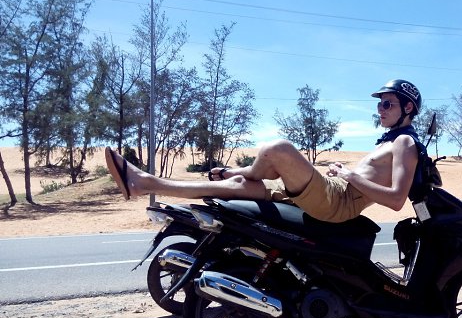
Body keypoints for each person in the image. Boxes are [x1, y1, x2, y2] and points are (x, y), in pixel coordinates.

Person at [105, 79, 422, 223]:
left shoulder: (405, 144)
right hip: (331, 191)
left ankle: (238, 170)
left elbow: (396, 200)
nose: (380, 109)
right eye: (380, 104)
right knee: (237, 186)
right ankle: (144, 183)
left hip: (337, 202)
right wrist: (345, 172)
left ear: (407, 108)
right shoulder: (390, 141)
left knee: (277, 149)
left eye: (387, 104)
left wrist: (350, 175)